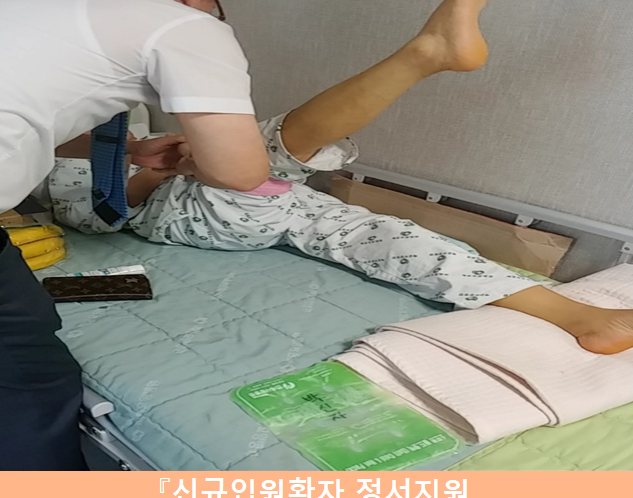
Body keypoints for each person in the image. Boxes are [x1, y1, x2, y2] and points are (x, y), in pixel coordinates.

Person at [50, 0, 633, 357]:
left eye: (204, 18)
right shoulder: (53, 128)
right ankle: (425, 52)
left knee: (394, 239)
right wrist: (162, 175)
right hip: (181, 213)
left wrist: (159, 153)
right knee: (266, 149)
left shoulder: (133, 121)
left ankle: (579, 317)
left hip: (278, 204)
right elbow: (95, 213)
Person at [0, 0, 270, 470]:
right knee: (32, 377)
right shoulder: (186, 25)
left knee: (29, 328)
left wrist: (132, 151)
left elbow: (41, 117)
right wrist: (197, 161)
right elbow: (242, 171)